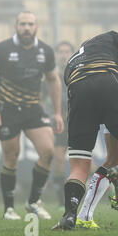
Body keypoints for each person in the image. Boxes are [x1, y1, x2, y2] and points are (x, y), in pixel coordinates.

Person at [51, 31, 118, 230]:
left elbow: (76, 86)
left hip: (77, 92)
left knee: (79, 168)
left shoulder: (71, 62)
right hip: (109, 84)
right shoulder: (110, 37)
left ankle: (69, 215)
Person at [0, 11, 64, 220]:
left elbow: (53, 80)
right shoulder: (1, 49)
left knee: (48, 152)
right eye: (23, 24)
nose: (27, 28)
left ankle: (33, 202)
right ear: (15, 26)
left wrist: (57, 113)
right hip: (7, 110)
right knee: (11, 157)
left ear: (37, 27)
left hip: (33, 109)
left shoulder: (45, 51)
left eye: (30, 24)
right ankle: (9, 209)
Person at [50, 41, 75, 209]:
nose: (64, 54)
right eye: (60, 51)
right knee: (58, 160)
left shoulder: (77, 73)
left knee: (86, 163)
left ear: (72, 54)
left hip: (77, 121)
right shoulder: (51, 76)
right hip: (59, 123)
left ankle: (111, 191)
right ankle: (61, 200)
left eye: (67, 51)